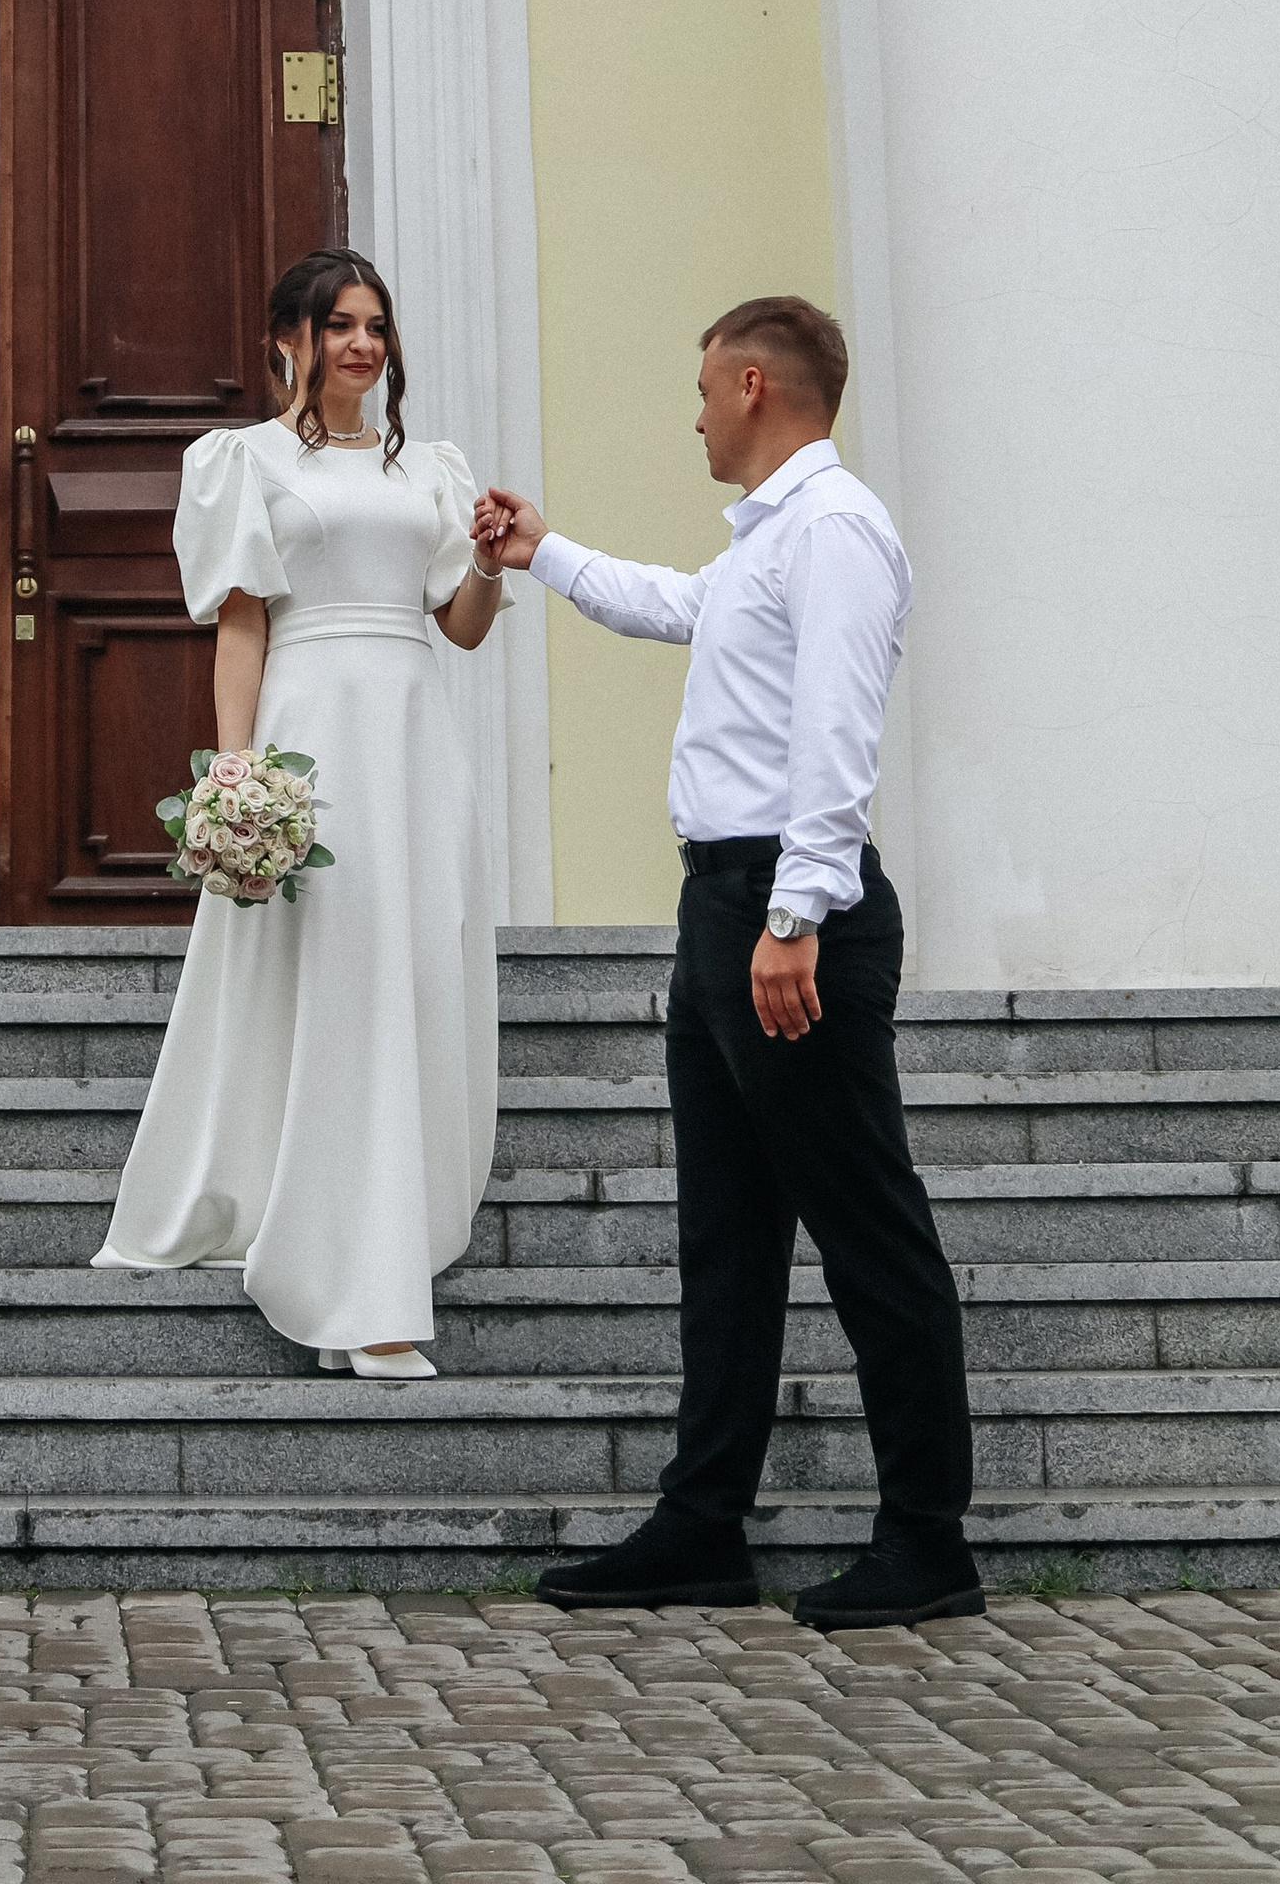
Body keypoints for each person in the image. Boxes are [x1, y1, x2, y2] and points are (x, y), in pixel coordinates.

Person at [476, 294, 981, 1631]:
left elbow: (837, 734)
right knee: (730, 1239)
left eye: (705, 388)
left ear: (754, 385)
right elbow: (678, 607)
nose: (693, 412)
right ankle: (702, 1527)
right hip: (725, 911)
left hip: (781, 909)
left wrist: (798, 916)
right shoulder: (768, 544)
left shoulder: (837, 533)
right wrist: (543, 552)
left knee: (870, 1231)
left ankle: (928, 1543)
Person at [94, 250, 510, 1371]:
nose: (364, 345)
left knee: (411, 967)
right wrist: (234, 774)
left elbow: (460, 625)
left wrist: (487, 563)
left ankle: (380, 1236)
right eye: (339, 326)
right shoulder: (244, 462)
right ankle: (351, 1284)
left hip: (412, 738)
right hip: (311, 730)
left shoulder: (430, 467)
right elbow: (241, 620)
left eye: (376, 324)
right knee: (337, 979)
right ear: (289, 338)